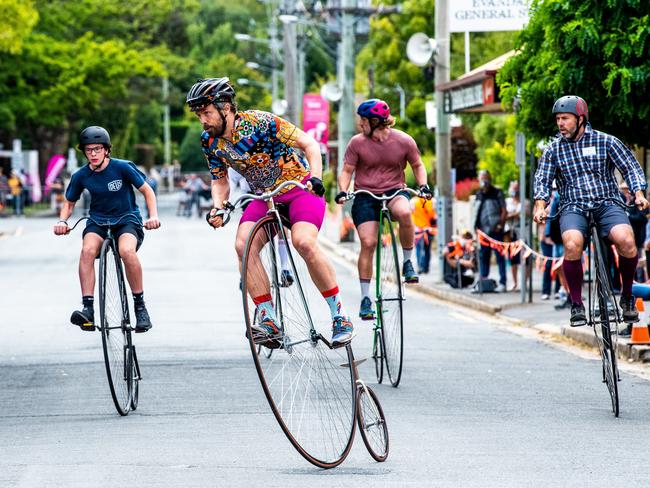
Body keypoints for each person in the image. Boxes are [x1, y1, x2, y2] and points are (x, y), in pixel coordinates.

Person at [186, 77, 354, 346]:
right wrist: (218, 207)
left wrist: (317, 177)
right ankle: (268, 319)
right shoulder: (210, 142)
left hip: (298, 188)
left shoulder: (261, 122)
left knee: (303, 242)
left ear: (225, 107)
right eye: (199, 115)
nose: (203, 121)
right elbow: (220, 181)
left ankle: (339, 315)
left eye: (206, 113)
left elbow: (309, 144)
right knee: (243, 245)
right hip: (264, 197)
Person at [533, 95, 649, 327]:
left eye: (565, 118)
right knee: (572, 243)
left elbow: (630, 167)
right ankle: (576, 303)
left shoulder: (606, 141)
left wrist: (638, 193)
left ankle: (626, 296)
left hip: (607, 203)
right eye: (558, 119)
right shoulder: (553, 150)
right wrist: (540, 206)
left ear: (581, 118)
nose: (560, 123)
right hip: (572, 206)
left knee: (626, 240)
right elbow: (542, 181)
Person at [53, 126, 161, 332]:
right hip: (98, 221)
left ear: (106, 150)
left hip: (127, 219)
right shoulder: (81, 176)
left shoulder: (122, 167)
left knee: (126, 251)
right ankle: (88, 309)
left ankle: (140, 307)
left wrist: (153, 216)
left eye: (97, 149)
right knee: (86, 250)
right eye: (88, 150)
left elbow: (147, 191)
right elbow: (68, 203)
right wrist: (63, 221)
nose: (93, 154)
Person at [335, 99, 432, 320]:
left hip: (395, 191)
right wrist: (342, 190)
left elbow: (417, 164)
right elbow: (347, 170)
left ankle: (408, 262)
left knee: (405, 212)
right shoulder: (356, 143)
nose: (360, 124)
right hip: (365, 195)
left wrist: (423, 185)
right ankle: (365, 298)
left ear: (374, 121)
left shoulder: (403, 140)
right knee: (368, 243)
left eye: (363, 119)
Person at [474, 170, 507, 292]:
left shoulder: (497, 193)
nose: (484, 181)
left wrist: (500, 225)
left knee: (500, 257)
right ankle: (484, 281)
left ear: (490, 179)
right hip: (483, 233)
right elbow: (476, 212)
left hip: (496, 231)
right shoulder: (479, 194)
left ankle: (503, 282)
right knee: (484, 257)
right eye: (482, 179)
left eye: (486, 178)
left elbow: (504, 210)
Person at [504, 181, 530, 291]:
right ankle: (515, 283)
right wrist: (516, 214)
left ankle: (524, 283)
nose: (515, 191)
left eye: (517, 188)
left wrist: (513, 214)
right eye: (513, 188)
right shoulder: (507, 202)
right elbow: (505, 215)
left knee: (526, 258)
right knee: (513, 259)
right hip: (511, 233)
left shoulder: (525, 202)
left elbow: (526, 214)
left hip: (523, 233)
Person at [411, 194, 437, 274]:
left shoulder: (413, 201)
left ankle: (420, 267)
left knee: (419, 249)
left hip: (418, 229)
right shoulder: (432, 201)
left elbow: (411, 213)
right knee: (427, 249)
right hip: (429, 229)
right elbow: (434, 216)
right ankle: (426, 268)